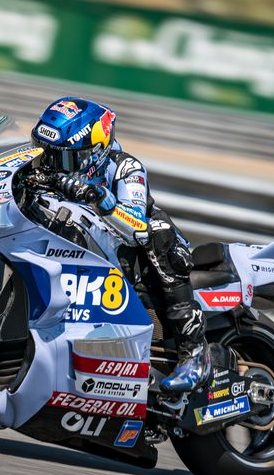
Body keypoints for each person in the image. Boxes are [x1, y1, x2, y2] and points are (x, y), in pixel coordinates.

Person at [30, 97, 210, 393]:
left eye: (64, 158)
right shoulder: (48, 164)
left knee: (157, 233)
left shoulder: (126, 168)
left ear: (94, 152)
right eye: (48, 153)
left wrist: (99, 198)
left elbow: (137, 227)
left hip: (131, 257)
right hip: (79, 254)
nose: (53, 164)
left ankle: (194, 351)